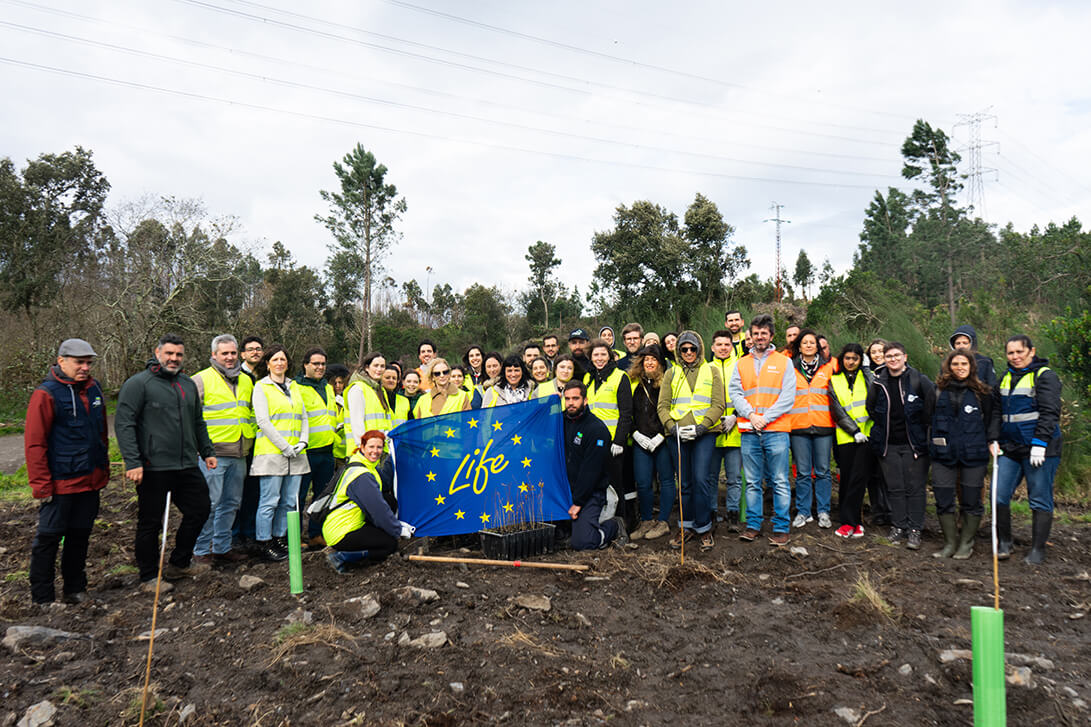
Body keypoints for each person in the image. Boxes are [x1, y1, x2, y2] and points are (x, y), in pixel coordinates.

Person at [116, 334, 216, 592]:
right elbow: (124, 424)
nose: (174, 359)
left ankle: (179, 563)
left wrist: (207, 451)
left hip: (186, 464)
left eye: (179, 355)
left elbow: (197, 421)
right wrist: (133, 461)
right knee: (151, 522)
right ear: (157, 352)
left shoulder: (187, 384)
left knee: (200, 509)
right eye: (169, 354)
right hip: (152, 467)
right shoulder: (139, 384)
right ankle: (148, 576)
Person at [25, 338, 109, 605]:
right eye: (79, 362)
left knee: (79, 537)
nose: (85, 367)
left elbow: (101, 433)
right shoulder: (46, 394)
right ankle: (43, 598)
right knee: (48, 540)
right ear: (61, 361)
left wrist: (102, 469)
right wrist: (41, 485)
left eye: (88, 363)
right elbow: (35, 443)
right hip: (60, 483)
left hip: (89, 481)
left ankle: (74, 589)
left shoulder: (94, 389)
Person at [729, 315, 797, 546]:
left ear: (771, 336)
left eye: (763, 333)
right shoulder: (741, 362)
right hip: (749, 430)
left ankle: (781, 527)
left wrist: (765, 418)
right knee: (753, 481)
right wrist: (751, 416)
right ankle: (753, 525)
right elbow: (736, 393)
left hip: (776, 429)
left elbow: (788, 397)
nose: (759, 337)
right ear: (751, 335)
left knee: (779, 480)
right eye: (756, 333)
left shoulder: (784, 362)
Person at [994, 335, 1062, 565]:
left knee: (1039, 498)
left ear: (1031, 352)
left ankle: (1037, 549)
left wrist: (1040, 444)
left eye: (1019, 352)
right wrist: (993, 439)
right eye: (1010, 353)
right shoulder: (1004, 378)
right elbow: (996, 412)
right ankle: (1004, 542)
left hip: (1040, 449)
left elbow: (1050, 412)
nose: (1015, 357)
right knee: (999, 495)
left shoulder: (1045, 376)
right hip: (1010, 448)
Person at [659, 331, 726, 551]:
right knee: (684, 482)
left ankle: (704, 527)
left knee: (700, 479)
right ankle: (685, 527)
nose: (688, 353)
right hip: (677, 434)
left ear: (699, 349)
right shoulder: (671, 374)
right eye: (684, 349)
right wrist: (672, 427)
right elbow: (663, 406)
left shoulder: (712, 371)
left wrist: (703, 426)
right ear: (678, 351)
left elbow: (719, 404)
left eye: (692, 349)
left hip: (703, 433)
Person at [866, 341, 935, 550]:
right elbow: (871, 409)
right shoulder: (878, 383)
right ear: (884, 360)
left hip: (914, 444)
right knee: (895, 488)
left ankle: (915, 530)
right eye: (889, 357)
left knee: (915, 488)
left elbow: (930, 408)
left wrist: (921, 435)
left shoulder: (918, 380)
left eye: (897, 355)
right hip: (888, 445)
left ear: (905, 357)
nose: (893, 359)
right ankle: (898, 526)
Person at [930, 351, 999, 559]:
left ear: (972, 366)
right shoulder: (938, 391)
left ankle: (966, 544)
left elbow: (992, 420)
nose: (960, 367)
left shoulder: (983, 392)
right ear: (948, 366)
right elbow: (927, 418)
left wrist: (992, 440)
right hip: (943, 453)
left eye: (964, 363)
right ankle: (950, 543)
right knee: (943, 497)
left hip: (974, 454)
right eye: (955, 363)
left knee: (971, 500)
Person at [192, 334, 254, 564]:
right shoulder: (200, 380)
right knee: (209, 504)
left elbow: (250, 413)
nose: (229, 357)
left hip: (239, 453)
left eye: (233, 353)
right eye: (224, 353)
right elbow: (189, 416)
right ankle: (200, 550)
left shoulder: (246, 380)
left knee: (230, 504)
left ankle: (222, 547)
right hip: (213, 455)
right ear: (214, 355)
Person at [250, 344, 310, 562]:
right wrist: (285, 446)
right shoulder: (261, 388)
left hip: (297, 453)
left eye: (283, 359)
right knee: (270, 500)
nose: (279, 363)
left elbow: (303, 416)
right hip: (272, 453)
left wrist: (303, 440)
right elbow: (263, 421)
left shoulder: (294, 386)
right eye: (275, 360)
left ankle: (279, 538)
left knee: (289, 501)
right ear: (267, 364)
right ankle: (264, 542)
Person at [323, 430, 401, 573]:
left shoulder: (364, 465)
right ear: (363, 447)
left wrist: (393, 455)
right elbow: (378, 510)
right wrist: (398, 530)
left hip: (347, 523)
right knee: (390, 544)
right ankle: (341, 557)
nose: (375, 451)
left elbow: (384, 488)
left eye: (379, 447)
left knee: (389, 500)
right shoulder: (361, 475)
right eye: (371, 447)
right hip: (342, 531)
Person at [562, 382, 625, 549]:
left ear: (585, 400)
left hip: (590, 492)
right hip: (565, 489)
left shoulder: (596, 429)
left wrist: (578, 502)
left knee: (583, 542)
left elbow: (591, 471)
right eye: (567, 399)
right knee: (555, 536)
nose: (571, 403)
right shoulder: (560, 421)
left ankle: (614, 526)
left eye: (575, 398)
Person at [584, 337, 636, 527]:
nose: (599, 358)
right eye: (595, 355)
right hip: (593, 442)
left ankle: (622, 525)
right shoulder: (588, 378)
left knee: (616, 484)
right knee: (596, 483)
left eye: (603, 354)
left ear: (610, 356)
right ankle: (599, 522)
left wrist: (620, 441)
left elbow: (626, 413)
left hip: (613, 443)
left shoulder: (620, 377)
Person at [788, 329, 836, 530]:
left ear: (818, 346)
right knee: (803, 472)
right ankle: (803, 511)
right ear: (799, 346)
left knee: (824, 471)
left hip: (823, 426)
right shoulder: (790, 367)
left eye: (812, 342)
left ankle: (823, 511)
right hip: (798, 426)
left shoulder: (829, 367)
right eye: (804, 342)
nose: (808, 345)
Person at [828, 343, 876, 538]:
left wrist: (866, 368)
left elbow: (874, 394)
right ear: (842, 359)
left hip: (867, 438)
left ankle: (853, 521)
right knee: (846, 479)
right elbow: (836, 409)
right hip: (846, 436)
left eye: (855, 359)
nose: (850, 362)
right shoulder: (835, 379)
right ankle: (848, 521)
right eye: (847, 358)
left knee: (859, 480)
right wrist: (853, 430)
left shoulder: (867, 378)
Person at [628, 345, 674, 540]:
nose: (649, 362)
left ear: (660, 363)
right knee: (644, 482)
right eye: (646, 359)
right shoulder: (632, 382)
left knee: (666, 480)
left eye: (653, 359)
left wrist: (663, 434)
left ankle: (663, 521)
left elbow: (673, 409)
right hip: (640, 440)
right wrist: (635, 434)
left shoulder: (667, 383)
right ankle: (646, 520)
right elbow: (625, 411)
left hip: (662, 440)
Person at [294, 347, 337, 548]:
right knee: (299, 496)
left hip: (327, 451)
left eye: (322, 364)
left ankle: (315, 534)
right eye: (316, 364)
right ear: (306, 365)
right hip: (306, 452)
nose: (320, 367)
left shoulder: (327, 387)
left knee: (322, 496)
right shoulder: (296, 387)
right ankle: (292, 537)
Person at [708, 330, 743, 531]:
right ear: (712, 347)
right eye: (719, 344)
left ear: (732, 346)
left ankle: (733, 515)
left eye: (726, 344)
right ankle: (712, 513)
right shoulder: (706, 368)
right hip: (712, 432)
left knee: (734, 478)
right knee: (711, 477)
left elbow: (746, 394)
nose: (723, 348)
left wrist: (735, 416)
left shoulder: (740, 367)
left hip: (735, 430)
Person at [234, 335, 264, 547]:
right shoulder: (235, 375)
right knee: (236, 493)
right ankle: (234, 535)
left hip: (261, 443)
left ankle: (250, 533)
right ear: (242, 354)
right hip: (240, 443)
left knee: (255, 491)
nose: (255, 352)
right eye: (251, 349)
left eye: (259, 349)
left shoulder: (265, 376)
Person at [345, 353, 391, 448]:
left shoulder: (380, 390)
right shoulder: (358, 388)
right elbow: (357, 423)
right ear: (367, 367)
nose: (379, 369)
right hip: (363, 450)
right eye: (375, 366)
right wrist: (363, 447)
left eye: (382, 366)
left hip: (379, 448)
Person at [950, 324, 998, 389]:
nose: (961, 346)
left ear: (972, 344)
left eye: (965, 343)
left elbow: (992, 387)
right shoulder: (948, 363)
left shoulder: (985, 362)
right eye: (958, 343)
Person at [326, 363, 351, 463]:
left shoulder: (347, 401)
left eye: (340, 383)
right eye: (334, 383)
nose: (338, 386)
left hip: (344, 454)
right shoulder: (326, 401)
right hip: (330, 452)